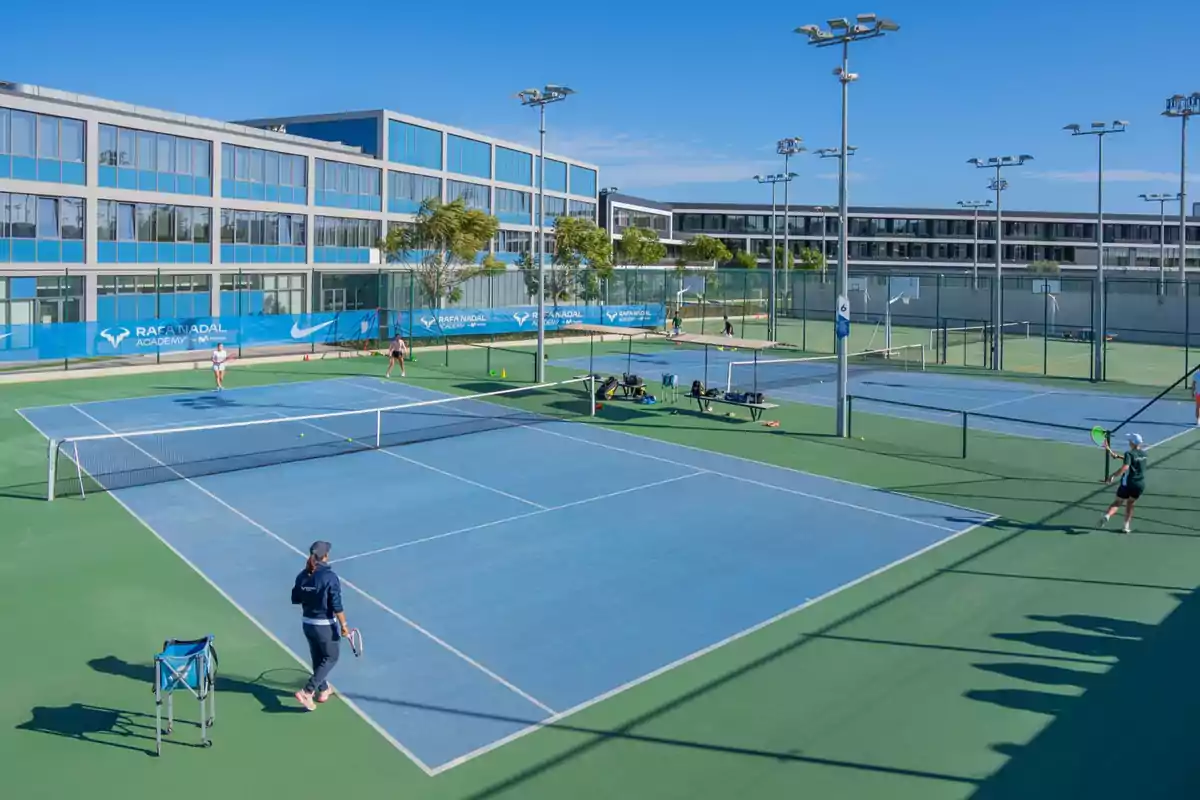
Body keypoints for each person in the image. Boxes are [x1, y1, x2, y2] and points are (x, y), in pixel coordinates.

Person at [291, 541, 351, 710]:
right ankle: (307, 691)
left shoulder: (302, 576)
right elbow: (336, 605)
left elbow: (295, 598)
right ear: (325, 556)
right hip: (324, 626)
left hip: (307, 624)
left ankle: (323, 689)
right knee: (331, 657)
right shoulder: (330, 577)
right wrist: (344, 625)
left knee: (318, 658)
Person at [1099, 433, 1147, 534]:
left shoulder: (1129, 454)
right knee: (1130, 503)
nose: (1128, 442)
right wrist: (1118, 456)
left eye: (1130, 441)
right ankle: (1126, 526)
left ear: (1132, 443)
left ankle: (1107, 515)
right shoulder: (1144, 454)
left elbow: (1126, 467)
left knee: (1118, 502)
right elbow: (1134, 460)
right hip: (1140, 485)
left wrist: (1112, 475)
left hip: (1128, 483)